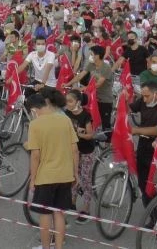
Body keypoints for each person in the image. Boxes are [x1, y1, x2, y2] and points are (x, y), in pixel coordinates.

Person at [25, 90, 78, 249]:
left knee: (45, 215)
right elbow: (75, 149)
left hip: (46, 176)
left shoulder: (35, 125)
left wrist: (33, 179)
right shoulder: (65, 120)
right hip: (65, 175)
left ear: (34, 110)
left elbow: (35, 155)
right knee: (59, 213)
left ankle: (46, 247)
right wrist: (75, 174)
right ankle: (59, 247)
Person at [130, 81, 157, 206]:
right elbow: (129, 108)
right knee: (143, 183)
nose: (144, 99)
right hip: (143, 146)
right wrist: (123, 100)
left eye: (147, 96)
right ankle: (150, 211)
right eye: (142, 96)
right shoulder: (144, 100)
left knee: (154, 185)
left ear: (156, 94)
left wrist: (136, 130)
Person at [64, 90, 94, 222]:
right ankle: (72, 200)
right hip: (72, 149)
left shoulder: (86, 115)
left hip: (86, 151)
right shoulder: (67, 113)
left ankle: (86, 207)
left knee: (85, 178)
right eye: (67, 101)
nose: (68, 104)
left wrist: (79, 134)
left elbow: (90, 135)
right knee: (73, 175)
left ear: (78, 102)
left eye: (70, 101)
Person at [71, 46, 114, 130]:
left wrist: (82, 89)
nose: (89, 56)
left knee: (105, 124)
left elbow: (98, 84)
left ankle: (107, 142)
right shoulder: (91, 64)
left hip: (104, 100)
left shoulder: (106, 67)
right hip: (92, 98)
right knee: (90, 121)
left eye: (91, 54)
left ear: (98, 56)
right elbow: (80, 75)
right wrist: (67, 83)